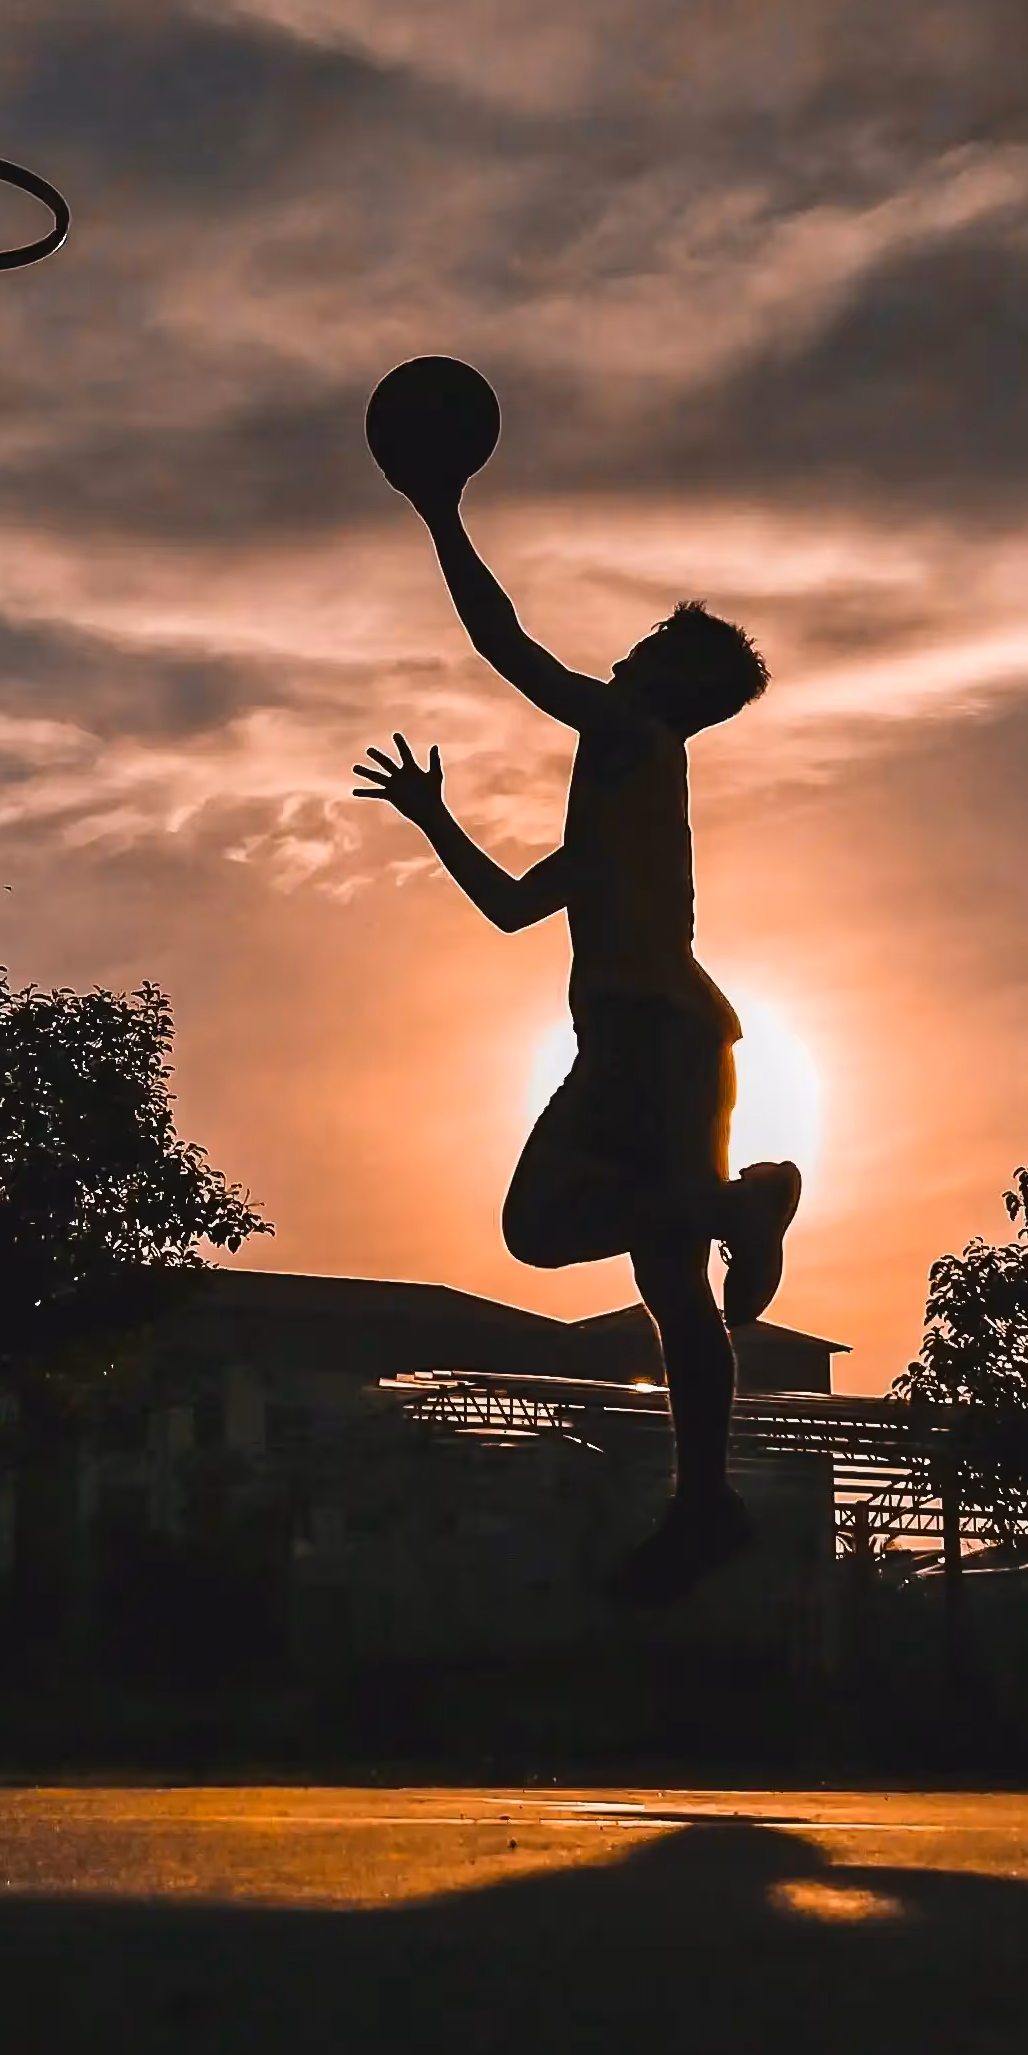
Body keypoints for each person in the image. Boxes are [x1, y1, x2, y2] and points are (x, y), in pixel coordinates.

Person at [350, 474, 800, 1607]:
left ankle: (743, 1208)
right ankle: (704, 1503)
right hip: (680, 1039)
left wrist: (439, 511)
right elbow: (510, 906)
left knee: (539, 1228)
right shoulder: (629, 796)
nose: (623, 655)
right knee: (672, 1288)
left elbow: (504, 644)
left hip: (646, 1038)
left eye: (648, 645)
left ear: (667, 680)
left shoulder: (629, 732)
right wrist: (434, 818)